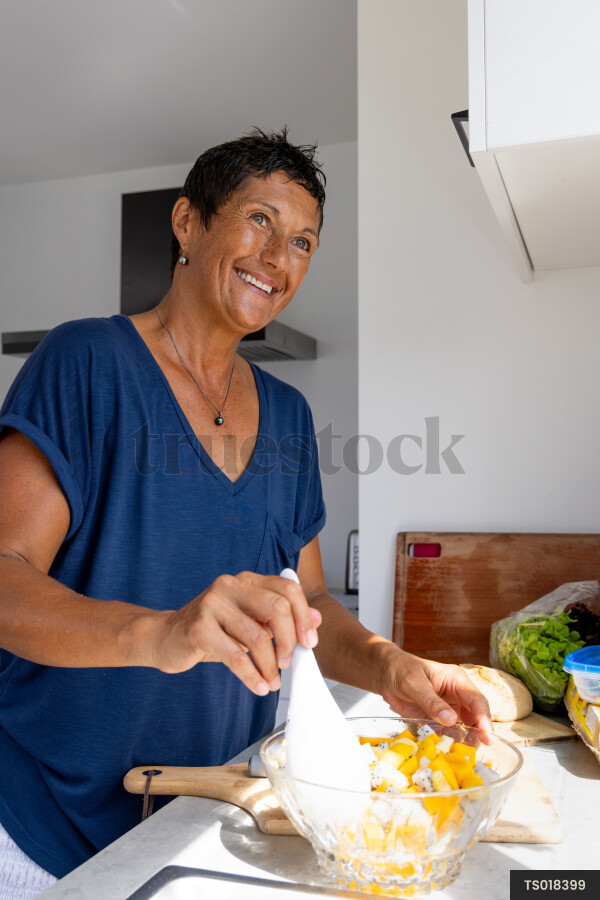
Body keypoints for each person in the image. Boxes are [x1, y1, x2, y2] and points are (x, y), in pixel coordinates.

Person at [0, 128, 491, 896]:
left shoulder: (290, 417)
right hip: (40, 826)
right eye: (260, 220)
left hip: (199, 811)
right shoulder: (86, 362)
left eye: (302, 241)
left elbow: (315, 602)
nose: (279, 257)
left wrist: (394, 667)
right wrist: (162, 632)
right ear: (188, 223)